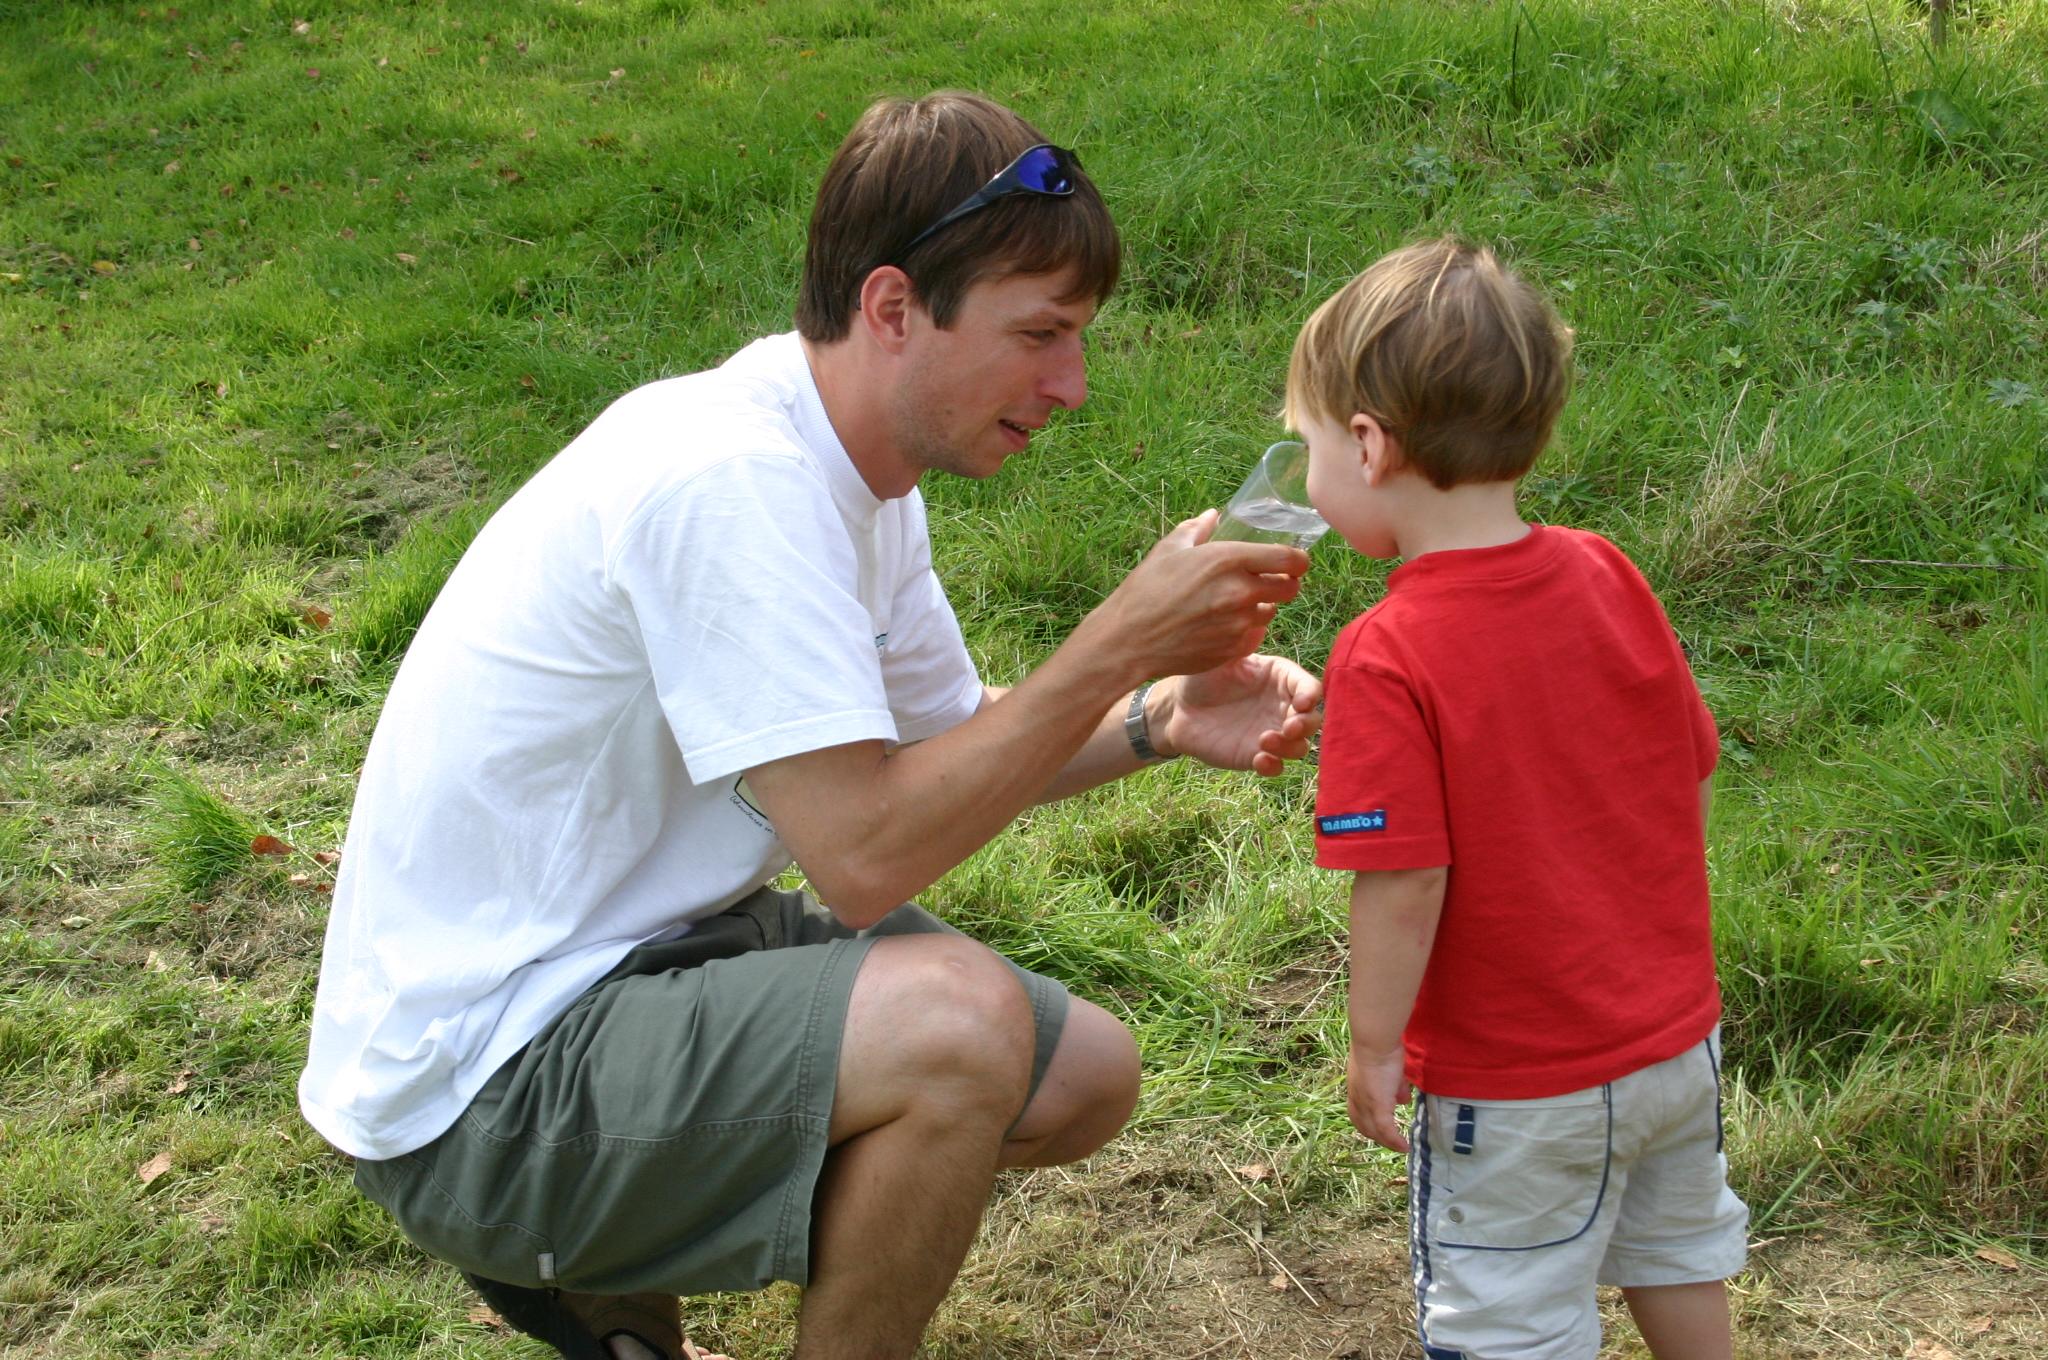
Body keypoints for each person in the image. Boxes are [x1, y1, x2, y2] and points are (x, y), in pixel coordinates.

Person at [296, 90, 1323, 1360]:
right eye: (1039, 334)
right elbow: (866, 853)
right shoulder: (730, 482)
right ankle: (577, 1252)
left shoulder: (853, 472)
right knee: (957, 1033)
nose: (1071, 385)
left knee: (1079, 1076)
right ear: (892, 307)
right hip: (483, 1082)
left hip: (646, 959)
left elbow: (952, 741)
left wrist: (1158, 713)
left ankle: (609, 1290)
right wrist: (1114, 640)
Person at [1291, 238, 1747, 1360]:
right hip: (1670, 1043)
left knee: (1505, 1318)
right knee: (1675, 1251)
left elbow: (1404, 876)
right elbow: (1686, 769)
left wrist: (1373, 1045)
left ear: (1367, 445)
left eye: (1305, 444)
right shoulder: (1606, 570)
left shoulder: (1387, 651)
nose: (1305, 473)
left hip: (1513, 1082)